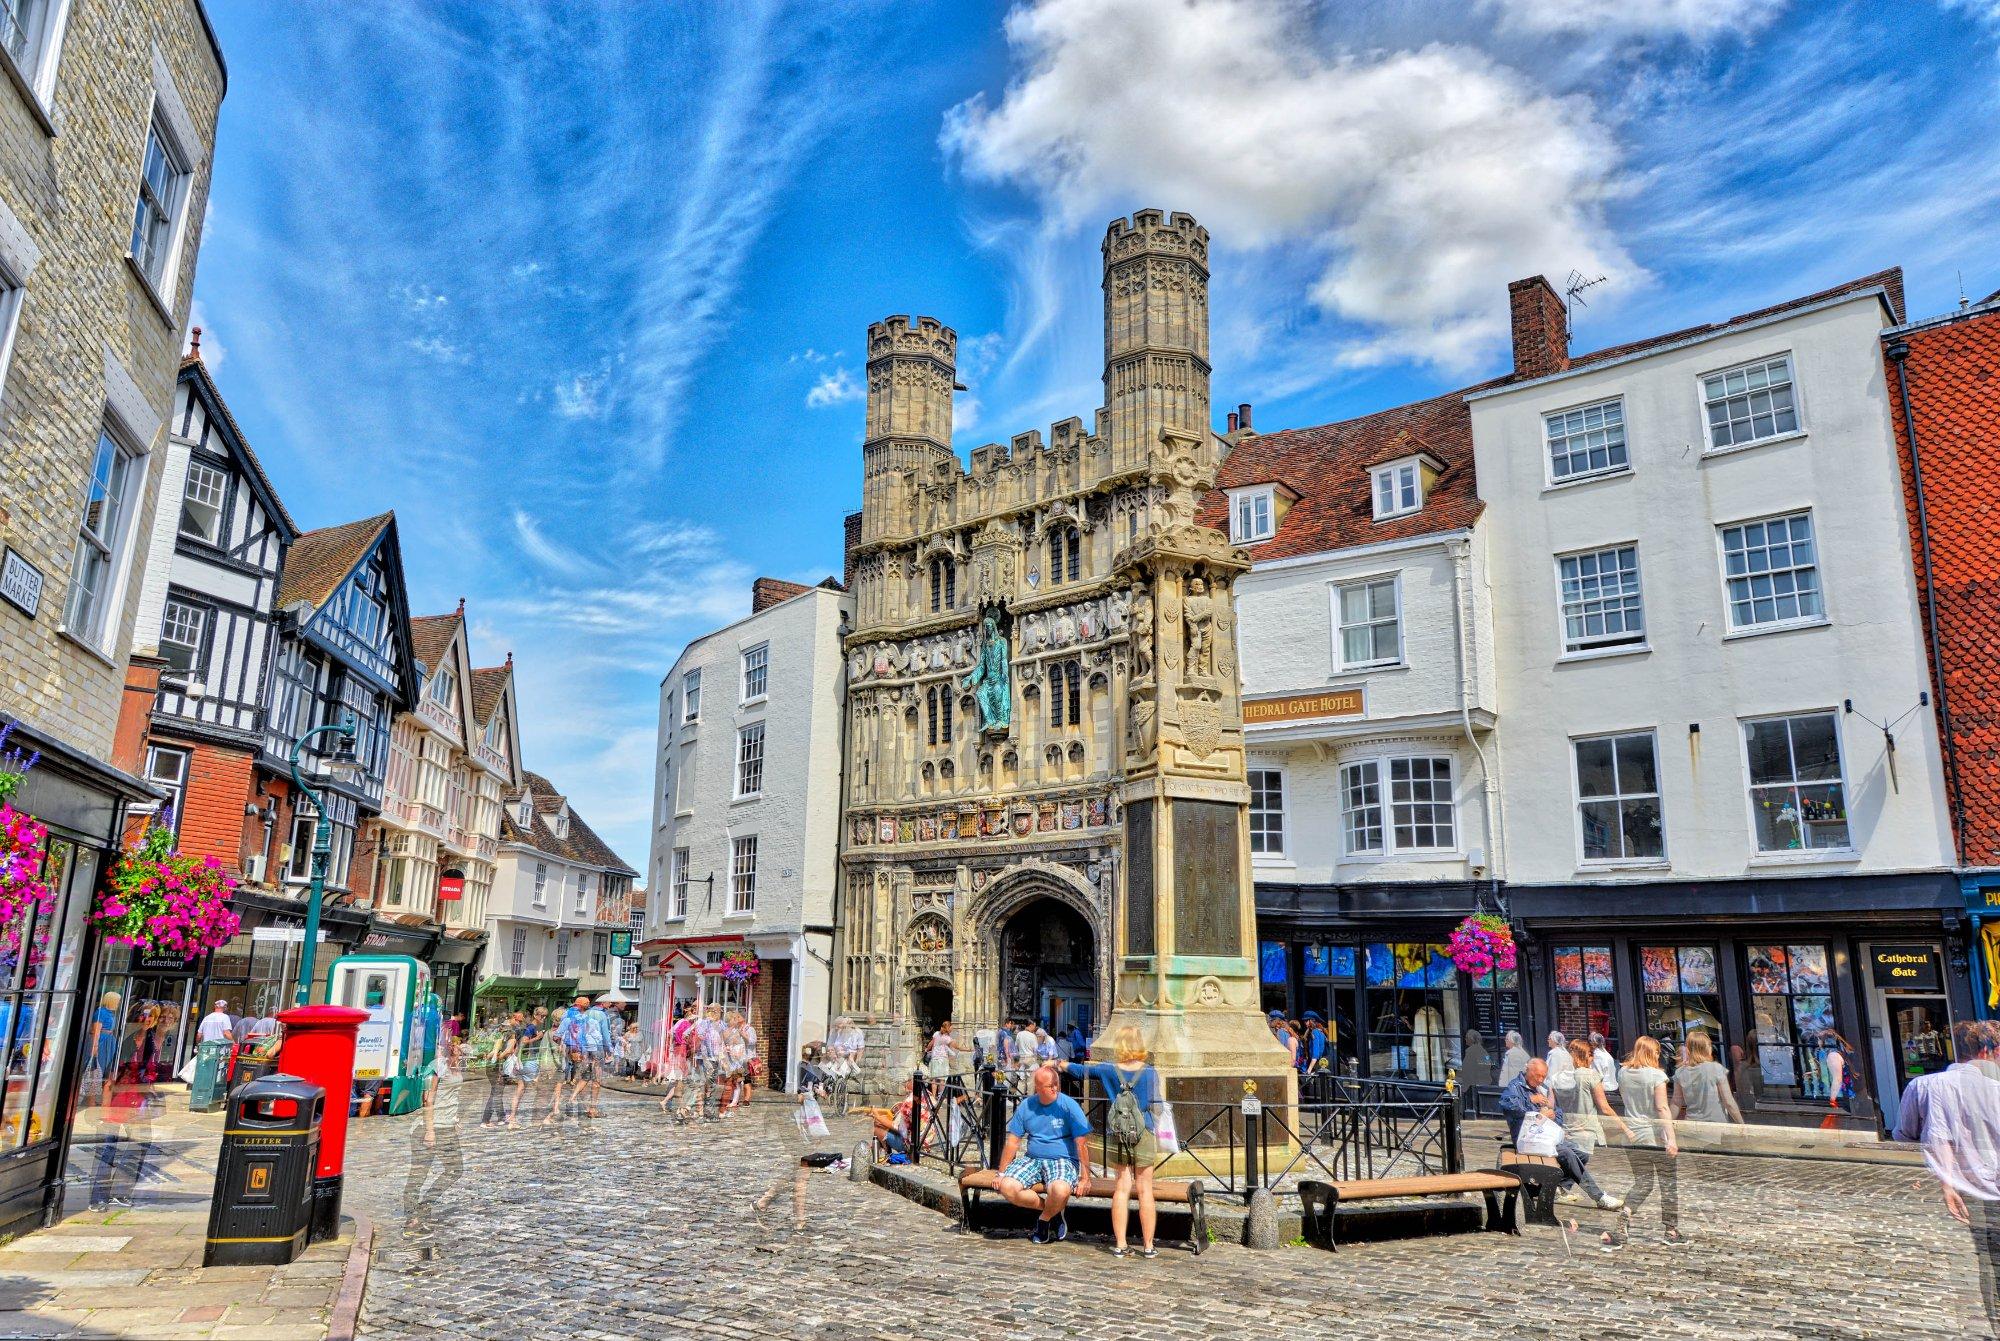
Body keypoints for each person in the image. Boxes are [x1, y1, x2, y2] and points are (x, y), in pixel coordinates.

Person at [1894, 1020, 2000, 1332]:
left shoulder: (1923, 1087)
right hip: (1987, 1185)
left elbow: (1904, 1136)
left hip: (1950, 1191)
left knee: (1975, 1265)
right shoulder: (1996, 1089)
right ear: (1986, 1051)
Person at [1063, 1025, 1162, 1258]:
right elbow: (1156, 1102)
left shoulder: (1109, 1070)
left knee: (1121, 1188)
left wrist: (1060, 1064)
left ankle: (1120, 1243)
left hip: (1117, 1133)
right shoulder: (1150, 1072)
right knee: (1145, 1190)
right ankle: (1148, 1246)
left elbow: (1080, 1071)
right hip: (1144, 1131)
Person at [1497, 1057, 1622, 1210]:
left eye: (1544, 1076)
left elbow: (1557, 1111)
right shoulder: (1516, 1087)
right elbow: (1507, 1105)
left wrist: (1553, 1115)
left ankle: (1557, 1189)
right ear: (1528, 1071)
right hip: (1529, 1141)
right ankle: (1599, 1197)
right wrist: (1533, 1103)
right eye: (1538, 1076)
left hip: (1545, 1138)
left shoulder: (1542, 1087)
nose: (1541, 1079)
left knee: (1582, 1153)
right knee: (1568, 1154)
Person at [993, 1065, 1094, 1244]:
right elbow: (1013, 1142)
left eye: (1056, 1083)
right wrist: (1001, 1173)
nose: (1055, 1088)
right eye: (1050, 1085)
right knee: (1007, 1187)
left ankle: (1044, 1220)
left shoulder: (1069, 1106)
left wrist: (1085, 1178)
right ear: (1038, 1088)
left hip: (1062, 1159)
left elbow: (1082, 1144)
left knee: (1060, 1189)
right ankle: (1053, 1211)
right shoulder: (1027, 1106)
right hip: (1033, 1158)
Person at [1605, 1035, 1681, 1249]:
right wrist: (1671, 1139)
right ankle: (1671, 1230)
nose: (1659, 1056)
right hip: (1654, 1136)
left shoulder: (1623, 1073)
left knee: (1644, 1182)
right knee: (1668, 1183)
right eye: (1657, 1052)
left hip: (1632, 1136)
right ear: (1652, 1053)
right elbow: (1662, 1108)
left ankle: (1626, 1214)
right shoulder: (1657, 1075)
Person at [404, 1035, 466, 1238]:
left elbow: (451, 1096)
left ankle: (423, 1208)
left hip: (447, 1126)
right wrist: (430, 1131)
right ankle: (412, 1218)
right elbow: (428, 1100)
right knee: (419, 1174)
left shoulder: (457, 1066)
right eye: (458, 1047)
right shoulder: (438, 1067)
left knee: (455, 1169)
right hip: (429, 1128)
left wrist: (454, 1118)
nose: (462, 1050)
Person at [1561, 1038, 1630, 1158]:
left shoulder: (1559, 1077)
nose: (1592, 1058)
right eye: (1590, 1054)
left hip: (1567, 1134)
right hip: (1588, 1136)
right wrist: (1625, 1128)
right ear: (1584, 1055)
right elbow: (1604, 1108)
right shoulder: (1590, 1075)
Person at [1672, 1032, 1744, 1143]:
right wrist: (1742, 1126)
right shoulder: (1716, 1069)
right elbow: (1728, 1102)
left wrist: (1665, 1125)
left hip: (1691, 1129)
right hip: (1716, 1129)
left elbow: (1676, 1103)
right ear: (1707, 1048)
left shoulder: (1680, 1072)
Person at [1589, 1032, 1618, 1098]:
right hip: (1613, 1086)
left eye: (1590, 1041)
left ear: (1593, 1043)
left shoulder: (1597, 1056)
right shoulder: (1606, 1054)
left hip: (1605, 1090)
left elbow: (1597, 1076)